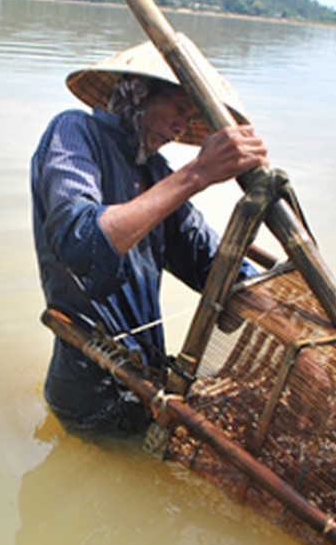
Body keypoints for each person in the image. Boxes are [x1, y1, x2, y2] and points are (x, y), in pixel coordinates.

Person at [30, 38, 269, 434]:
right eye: (178, 108)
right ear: (139, 94)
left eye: (190, 114)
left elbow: (210, 264)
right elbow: (81, 243)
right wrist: (196, 174)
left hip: (147, 386)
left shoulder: (156, 172)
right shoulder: (74, 132)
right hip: (89, 393)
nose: (181, 125)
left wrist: (281, 313)